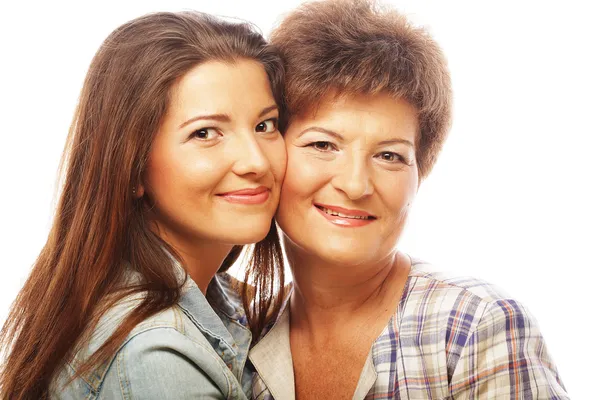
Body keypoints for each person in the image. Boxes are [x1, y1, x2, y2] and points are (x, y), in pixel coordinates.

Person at [250, 0, 569, 398]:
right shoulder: (240, 335)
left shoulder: (477, 327)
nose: (355, 185)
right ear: (269, 150)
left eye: (389, 156)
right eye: (323, 144)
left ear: (420, 174)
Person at [0, 11, 287, 399]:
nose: (255, 161)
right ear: (132, 169)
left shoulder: (216, 299)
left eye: (264, 125)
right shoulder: (156, 355)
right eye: (205, 133)